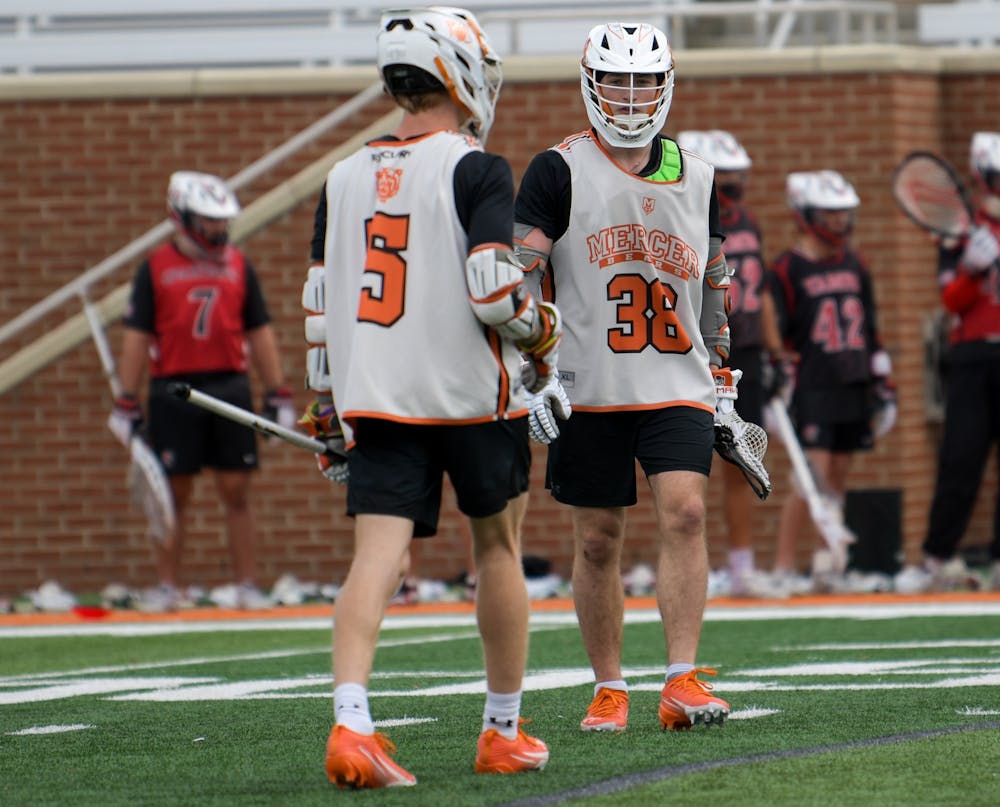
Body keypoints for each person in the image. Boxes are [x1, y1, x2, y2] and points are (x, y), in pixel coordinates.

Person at [302, 6, 556, 788]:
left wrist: (325, 406)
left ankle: (351, 724)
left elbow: (320, 307)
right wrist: (542, 332)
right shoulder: (476, 167)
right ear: (463, 73)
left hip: (376, 397)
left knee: (376, 559)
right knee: (498, 551)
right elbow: (491, 289)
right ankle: (501, 730)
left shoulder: (340, 177)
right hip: (472, 395)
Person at [514, 22, 738, 734]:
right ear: (592, 82)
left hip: (678, 376)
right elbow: (518, 280)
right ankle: (610, 685)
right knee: (597, 539)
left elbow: (714, 284)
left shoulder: (698, 173)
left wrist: (724, 378)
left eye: (644, 79)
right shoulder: (557, 169)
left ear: (666, 83)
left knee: (687, 511)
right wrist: (532, 371)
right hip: (589, 383)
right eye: (618, 78)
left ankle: (682, 677)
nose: (631, 93)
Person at [108, 170, 296, 612]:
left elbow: (259, 331)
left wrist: (277, 391)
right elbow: (137, 336)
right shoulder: (154, 268)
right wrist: (126, 398)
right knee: (172, 494)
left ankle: (247, 585)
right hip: (174, 390)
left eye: (220, 220)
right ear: (183, 216)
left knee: (237, 490)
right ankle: (170, 586)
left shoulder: (238, 264)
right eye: (207, 220)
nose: (217, 229)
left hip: (229, 386)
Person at [763, 170, 896, 593]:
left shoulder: (857, 262)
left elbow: (871, 323)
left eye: (844, 214)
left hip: (852, 379)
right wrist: (777, 370)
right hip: (813, 383)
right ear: (805, 213)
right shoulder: (786, 268)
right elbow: (775, 326)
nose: (840, 222)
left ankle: (827, 564)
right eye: (830, 214)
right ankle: (783, 567)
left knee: (837, 477)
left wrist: (882, 379)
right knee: (809, 481)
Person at [677, 130, 770, 597]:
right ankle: (689, 562)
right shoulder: (685, 219)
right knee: (683, 464)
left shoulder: (748, 222)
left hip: (742, 350)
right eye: (725, 176)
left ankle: (740, 567)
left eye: (738, 176)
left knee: (741, 458)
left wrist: (775, 351)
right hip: (694, 350)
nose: (733, 185)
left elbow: (762, 291)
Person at [915, 131, 1000, 592]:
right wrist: (970, 270)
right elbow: (952, 300)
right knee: (961, 458)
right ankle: (937, 556)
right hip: (972, 355)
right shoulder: (960, 231)